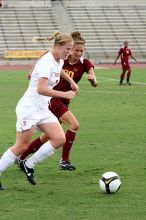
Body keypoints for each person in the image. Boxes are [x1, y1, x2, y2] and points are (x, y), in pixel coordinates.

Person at [0, 32, 78, 189]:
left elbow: (59, 70)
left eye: (71, 49)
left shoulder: (58, 60)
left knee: (59, 138)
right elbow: (41, 88)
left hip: (41, 108)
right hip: (29, 108)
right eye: (67, 49)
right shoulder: (46, 61)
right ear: (58, 46)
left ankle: (29, 164)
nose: (69, 53)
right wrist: (64, 94)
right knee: (21, 146)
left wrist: (71, 81)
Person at [16, 31, 97, 171]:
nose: (77, 53)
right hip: (53, 99)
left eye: (81, 51)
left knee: (47, 137)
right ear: (69, 49)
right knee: (74, 125)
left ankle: (21, 157)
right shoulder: (58, 58)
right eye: (75, 50)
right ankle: (64, 161)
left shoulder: (85, 63)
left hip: (63, 101)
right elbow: (33, 74)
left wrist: (92, 80)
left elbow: (95, 81)